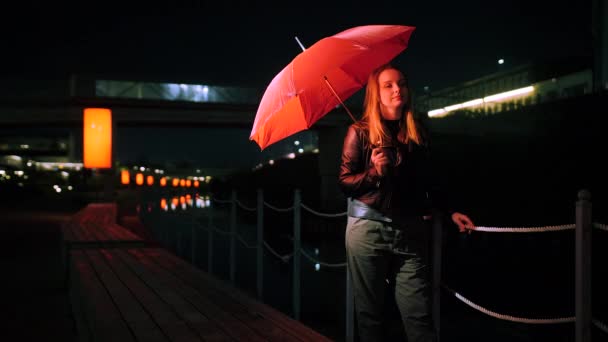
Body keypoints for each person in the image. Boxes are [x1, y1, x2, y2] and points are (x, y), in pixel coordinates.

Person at [338, 63, 475, 342]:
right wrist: (375, 172)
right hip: (368, 230)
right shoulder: (360, 131)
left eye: (401, 83)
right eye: (388, 85)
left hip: (411, 232)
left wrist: (450, 211)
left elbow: (430, 181)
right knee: (371, 318)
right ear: (376, 94)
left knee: (419, 317)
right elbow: (344, 183)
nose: (397, 89)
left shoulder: (417, 132)